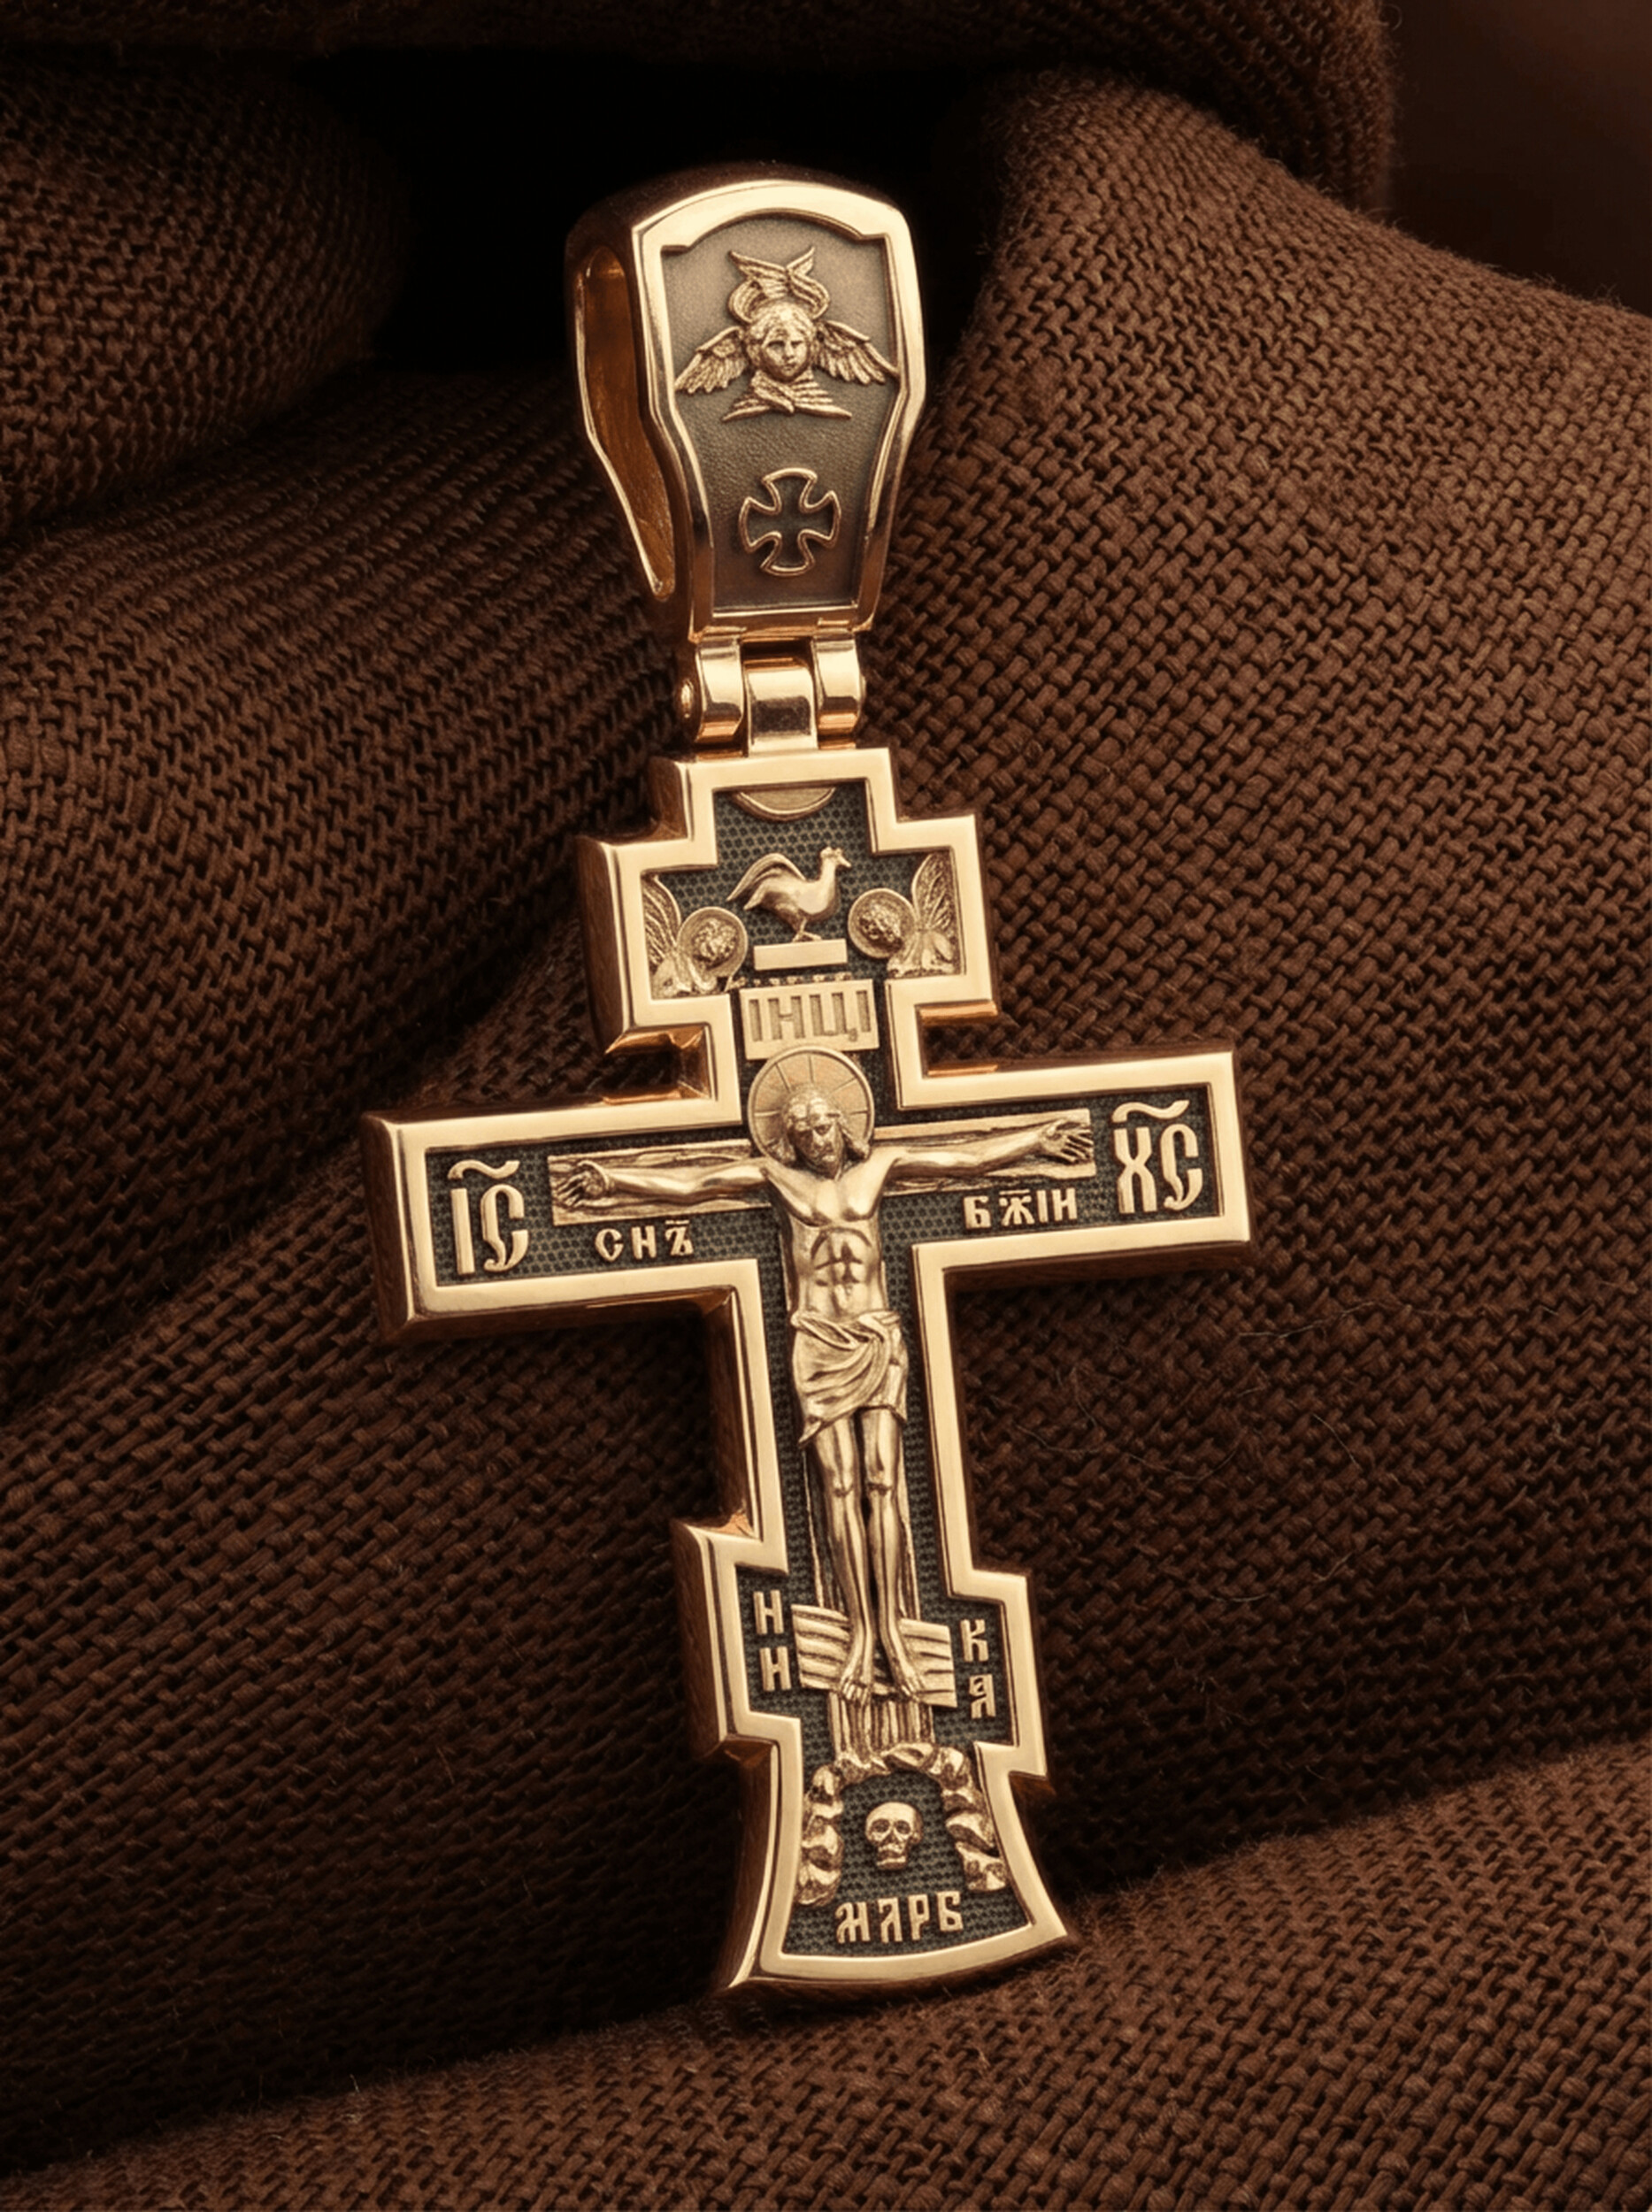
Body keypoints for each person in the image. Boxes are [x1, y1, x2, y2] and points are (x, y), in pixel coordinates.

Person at [566, 1074, 1092, 1705]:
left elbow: (965, 1159)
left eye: (823, 1125)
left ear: (843, 1125)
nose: (817, 1139)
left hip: (876, 1337)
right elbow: (694, 1184)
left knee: (882, 1481)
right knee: (837, 1488)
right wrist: (613, 1182)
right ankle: (859, 1634)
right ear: (789, 1140)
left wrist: (1034, 1140)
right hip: (818, 1342)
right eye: (803, 1132)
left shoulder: (881, 1167)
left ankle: (893, 1630)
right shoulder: (777, 1179)